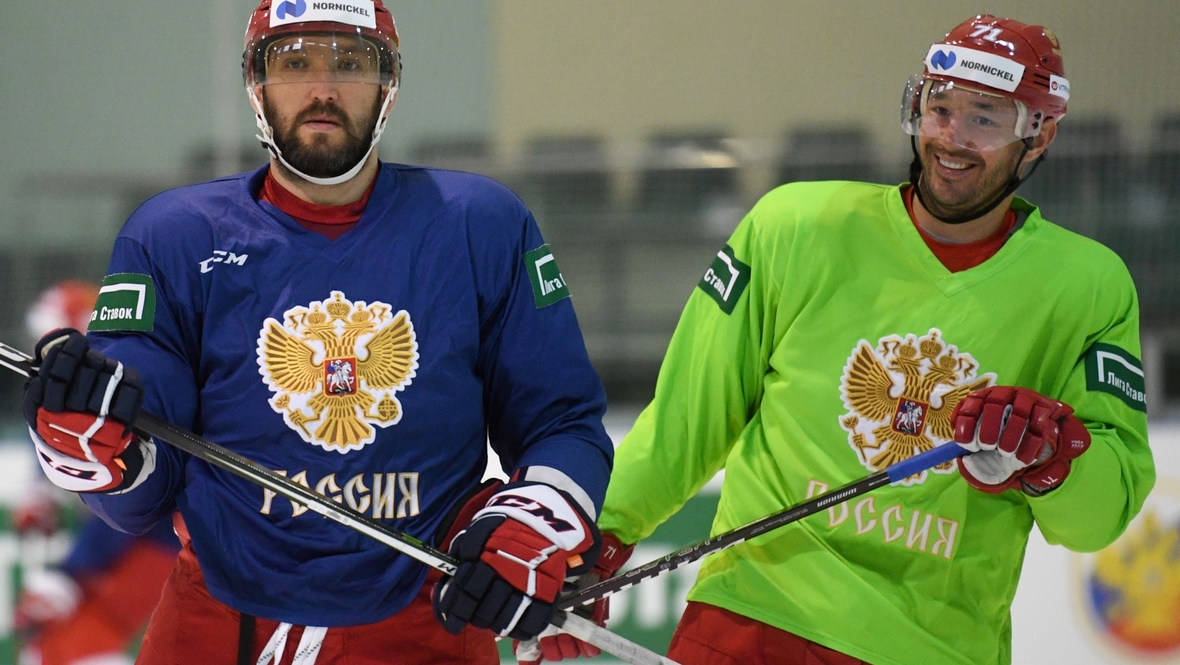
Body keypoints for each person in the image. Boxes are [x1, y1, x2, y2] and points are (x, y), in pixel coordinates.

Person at [537, 14, 1156, 665]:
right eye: (939, 107)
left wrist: (1052, 458)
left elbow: (1100, 518)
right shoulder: (795, 225)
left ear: (1040, 135)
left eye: (985, 118)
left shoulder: (1088, 285)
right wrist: (589, 542)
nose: (951, 136)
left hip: (932, 649)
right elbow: (687, 419)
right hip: (753, 619)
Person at [19, 1, 613, 663]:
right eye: (295, 63)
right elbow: (141, 478)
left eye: (350, 63)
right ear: (256, 84)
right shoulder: (173, 237)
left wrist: (534, 521)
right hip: (218, 626)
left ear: (389, 85)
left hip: (428, 626)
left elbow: (563, 421)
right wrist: (100, 449)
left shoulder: (482, 225)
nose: (323, 88)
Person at [14, 280, 181, 665]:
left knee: (79, 644)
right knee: (51, 646)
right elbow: (51, 442)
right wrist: (40, 496)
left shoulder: (122, 385)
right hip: (118, 541)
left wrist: (68, 575)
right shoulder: (71, 387)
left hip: (158, 538)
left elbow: (124, 501)